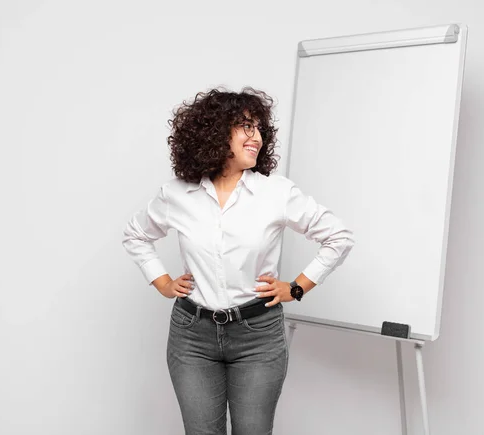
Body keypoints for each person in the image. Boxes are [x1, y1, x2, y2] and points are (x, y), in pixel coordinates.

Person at [122, 86, 354, 435]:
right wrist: (163, 282)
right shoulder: (177, 194)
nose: (256, 136)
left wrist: (297, 288)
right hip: (192, 337)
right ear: (214, 133)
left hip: (258, 335)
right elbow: (136, 234)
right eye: (245, 126)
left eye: (260, 128)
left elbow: (339, 236)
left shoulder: (276, 193)